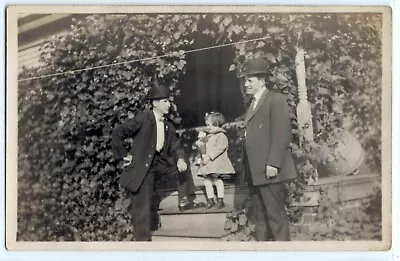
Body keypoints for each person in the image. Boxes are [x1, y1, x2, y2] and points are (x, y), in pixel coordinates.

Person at [111, 84, 199, 241]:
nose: (168, 105)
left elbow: (176, 146)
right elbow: (118, 132)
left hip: (160, 165)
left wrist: (180, 159)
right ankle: (143, 246)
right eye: (164, 101)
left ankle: (184, 200)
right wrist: (123, 156)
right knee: (142, 210)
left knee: (184, 165)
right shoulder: (143, 118)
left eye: (168, 101)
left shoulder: (168, 125)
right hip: (143, 168)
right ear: (155, 103)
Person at [240, 57, 298, 241]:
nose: (246, 83)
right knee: (261, 219)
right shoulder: (252, 104)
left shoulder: (275, 100)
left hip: (269, 171)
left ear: (262, 81)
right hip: (255, 172)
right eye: (245, 80)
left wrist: (273, 162)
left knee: (275, 217)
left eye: (250, 80)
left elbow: (281, 134)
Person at [195, 112, 235, 209]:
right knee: (207, 181)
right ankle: (210, 199)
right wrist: (200, 142)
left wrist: (209, 156)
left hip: (216, 162)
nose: (207, 127)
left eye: (208, 124)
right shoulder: (209, 136)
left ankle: (220, 200)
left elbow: (220, 148)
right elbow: (204, 145)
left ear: (216, 124)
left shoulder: (221, 136)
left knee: (217, 180)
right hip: (208, 163)